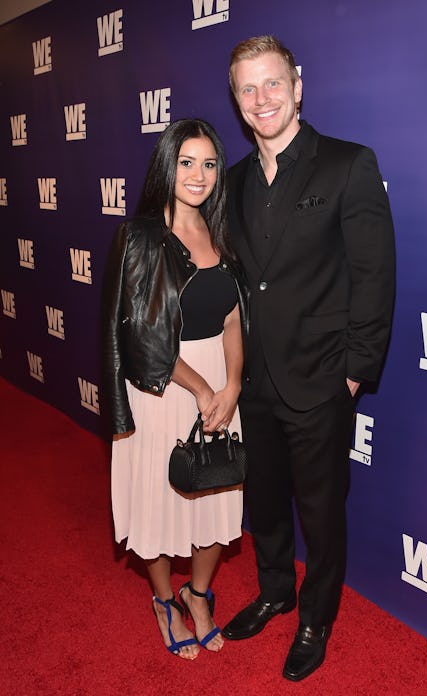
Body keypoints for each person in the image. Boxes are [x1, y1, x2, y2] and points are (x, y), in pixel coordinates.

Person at [221, 36, 396, 681]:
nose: (262, 98)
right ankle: (275, 591)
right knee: (265, 501)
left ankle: (317, 618)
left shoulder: (348, 164)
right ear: (237, 102)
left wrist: (354, 372)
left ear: (297, 87)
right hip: (255, 380)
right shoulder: (232, 183)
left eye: (273, 83)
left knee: (321, 513)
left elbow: (374, 276)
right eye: (248, 88)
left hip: (322, 378)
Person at [102, 118, 247, 661]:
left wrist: (232, 384)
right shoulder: (140, 236)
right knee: (161, 502)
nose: (199, 175)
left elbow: (233, 318)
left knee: (217, 495)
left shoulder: (221, 232)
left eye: (209, 164)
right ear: (168, 166)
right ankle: (165, 601)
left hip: (220, 385)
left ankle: (198, 595)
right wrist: (204, 387)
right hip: (164, 386)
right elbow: (141, 333)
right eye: (187, 162)